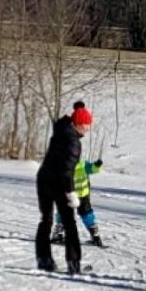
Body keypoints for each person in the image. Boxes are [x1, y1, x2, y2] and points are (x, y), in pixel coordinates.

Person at [36, 103, 94, 274]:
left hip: (43, 178)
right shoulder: (74, 143)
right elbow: (67, 172)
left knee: (46, 220)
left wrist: (77, 111)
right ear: (77, 125)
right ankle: (74, 264)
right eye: (85, 125)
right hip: (59, 183)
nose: (87, 129)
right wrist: (70, 193)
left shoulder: (61, 129)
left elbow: (62, 120)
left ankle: (43, 259)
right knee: (69, 223)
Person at [55, 154, 105, 248]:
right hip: (83, 195)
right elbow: (93, 169)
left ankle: (58, 234)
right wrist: (97, 165)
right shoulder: (83, 164)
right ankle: (95, 236)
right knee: (86, 213)